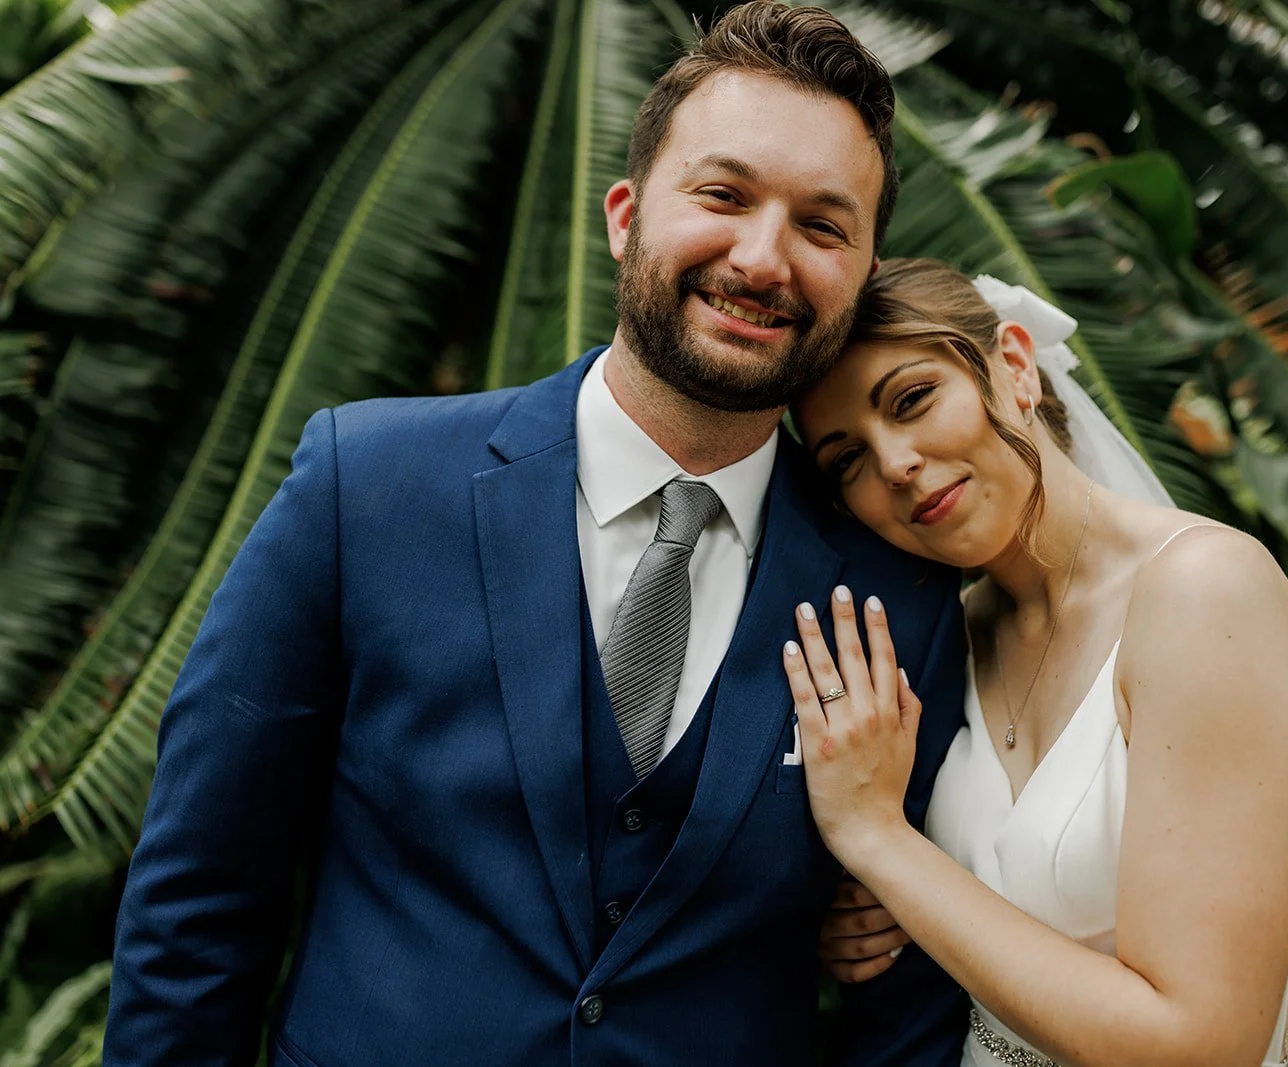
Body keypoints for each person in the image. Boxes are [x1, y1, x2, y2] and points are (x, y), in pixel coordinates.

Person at [103, 10, 973, 1066]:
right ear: (623, 215)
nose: (763, 255)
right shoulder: (365, 488)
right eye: (723, 195)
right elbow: (200, 891)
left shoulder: (901, 597)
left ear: (864, 266)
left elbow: (909, 1003)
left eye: (822, 226)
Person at [783, 259, 1288, 1066]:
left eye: (912, 399)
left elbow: (1200, 1046)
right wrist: (879, 916)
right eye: (847, 460)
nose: (895, 462)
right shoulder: (952, 639)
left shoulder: (1205, 595)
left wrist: (879, 841)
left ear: (1012, 365)